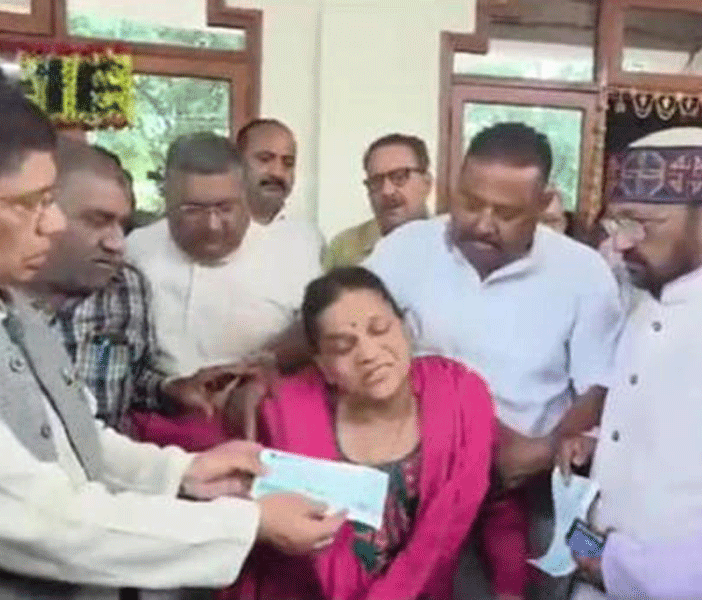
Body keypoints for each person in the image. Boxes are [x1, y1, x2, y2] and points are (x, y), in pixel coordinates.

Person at [0, 70, 344, 600]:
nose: (52, 227)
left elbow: (72, 442)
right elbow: (42, 520)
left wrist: (183, 472)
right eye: (31, 204)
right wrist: (247, 523)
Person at [363, 122, 623, 600]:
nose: (483, 223)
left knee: (548, 574)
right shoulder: (406, 249)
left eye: (505, 212)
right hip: (422, 475)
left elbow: (600, 386)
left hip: (530, 481)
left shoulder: (583, 273)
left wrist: (540, 452)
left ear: (545, 204)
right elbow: (348, 316)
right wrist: (270, 360)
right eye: (470, 202)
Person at [559, 127, 702, 599]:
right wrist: (607, 445)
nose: (622, 245)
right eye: (616, 225)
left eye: (642, 224)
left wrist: (621, 567)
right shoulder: (658, 287)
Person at [223, 267, 494, 600]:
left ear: (406, 329)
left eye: (379, 330)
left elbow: (443, 533)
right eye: (342, 347)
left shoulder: (460, 396)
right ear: (323, 366)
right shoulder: (286, 413)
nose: (368, 353)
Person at [126, 132, 321, 450]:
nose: (213, 225)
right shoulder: (134, 250)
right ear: (166, 198)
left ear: (245, 197)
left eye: (226, 208)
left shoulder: (293, 253)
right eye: (193, 210)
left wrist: (268, 362)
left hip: (261, 430)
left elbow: (320, 330)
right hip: (155, 432)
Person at [27, 137, 168, 431]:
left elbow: (134, 380)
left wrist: (171, 391)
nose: (117, 243)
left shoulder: (128, 287)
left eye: (123, 226)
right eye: (97, 221)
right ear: (42, 212)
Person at [322, 133, 433, 269]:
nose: (387, 191)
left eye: (399, 177)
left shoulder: (452, 245)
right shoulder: (344, 249)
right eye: (376, 181)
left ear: (427, 183)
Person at [235, 117, 323, 252]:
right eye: (265, 159)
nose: (277, 173)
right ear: (237, 162)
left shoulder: (310, 239)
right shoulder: (210, 233)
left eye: (288, 163)